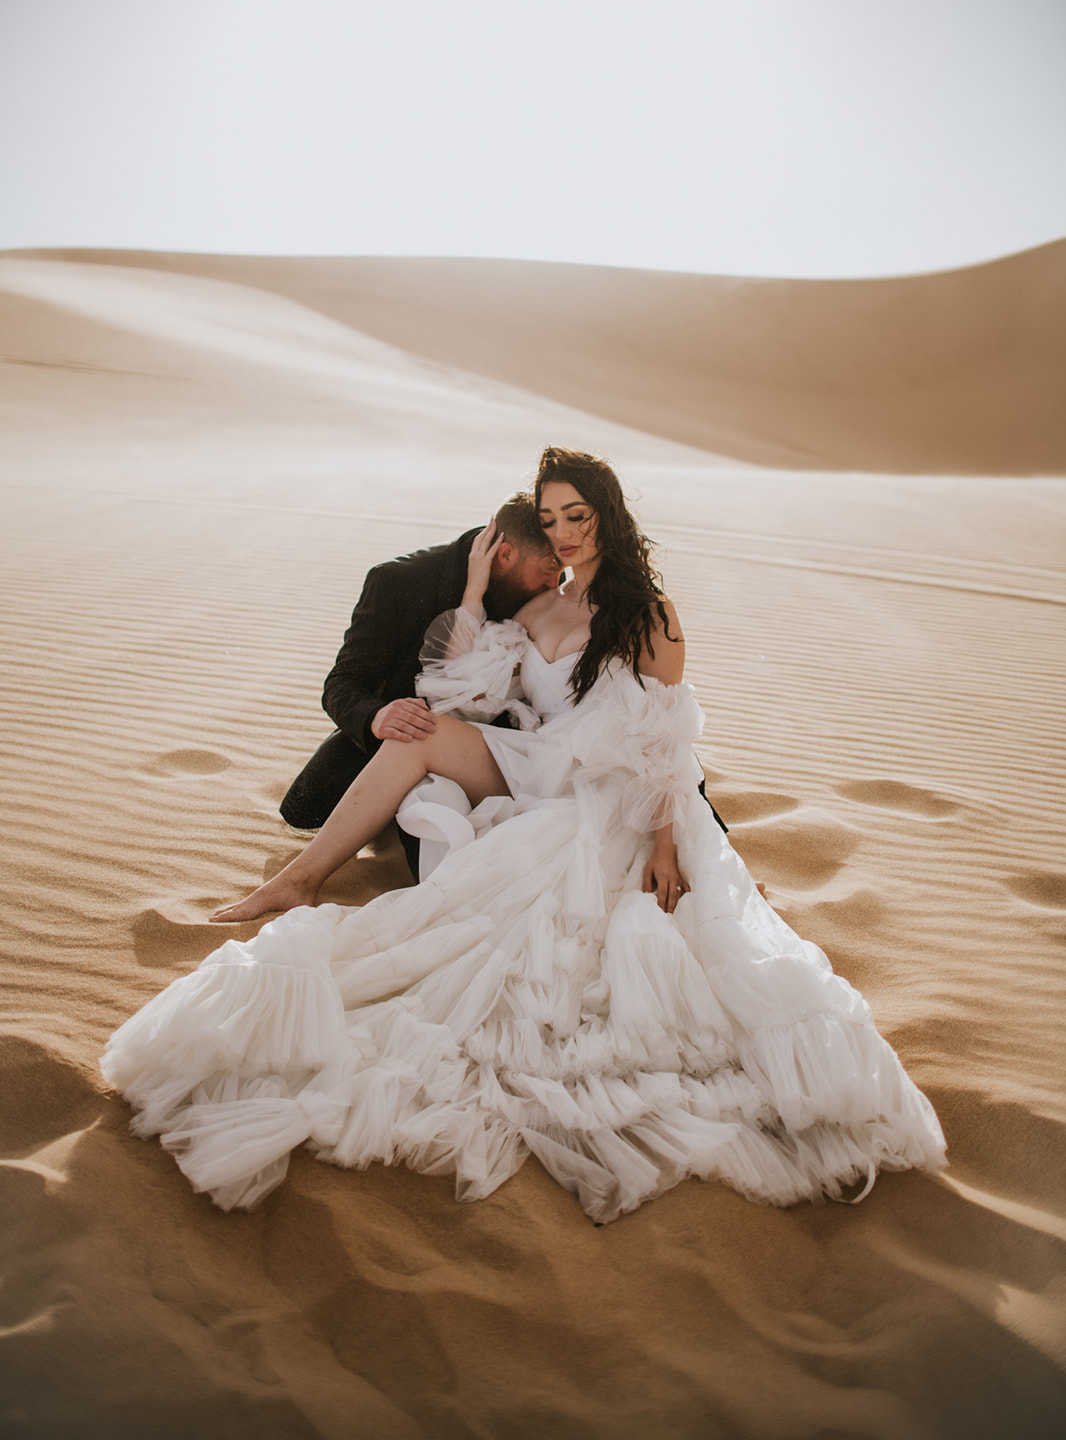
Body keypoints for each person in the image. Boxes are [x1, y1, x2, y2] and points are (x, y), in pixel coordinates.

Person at [102, 448, 946, 1223]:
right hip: (536, 758)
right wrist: (472, 597)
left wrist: (664, 841)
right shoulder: (543, 601)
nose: (564, 533)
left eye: (577, 515)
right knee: (423, 727)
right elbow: (458, 685)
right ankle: (302, 876)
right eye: (549, 520)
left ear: (607, 516)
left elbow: (663, 740)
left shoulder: (648, 612)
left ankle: (319, 880)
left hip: (609, 792)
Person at [278, 492, 562, 877]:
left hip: (488, 754)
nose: (556, 582)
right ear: (506, 555)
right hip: (401, 738)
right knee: (305, 807)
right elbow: (342, 683)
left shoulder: (545, 597)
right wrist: (377, 716)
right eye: (549, 567)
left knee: (436, 870)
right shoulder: (398, 581)